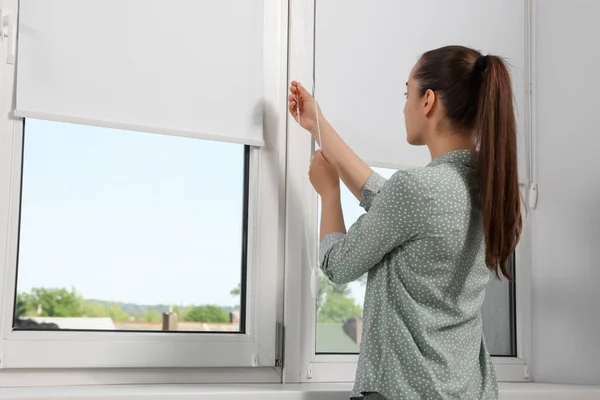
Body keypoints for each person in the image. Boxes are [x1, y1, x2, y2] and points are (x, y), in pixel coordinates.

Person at [288, 45, 522, 400]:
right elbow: (384, 199)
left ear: (427, 100)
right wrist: (316, 123)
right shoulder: (488, 189)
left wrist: (329, 194)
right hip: (470, 390)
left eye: (406, 92)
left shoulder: (418, 190)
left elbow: (337, 264)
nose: (404, 106)